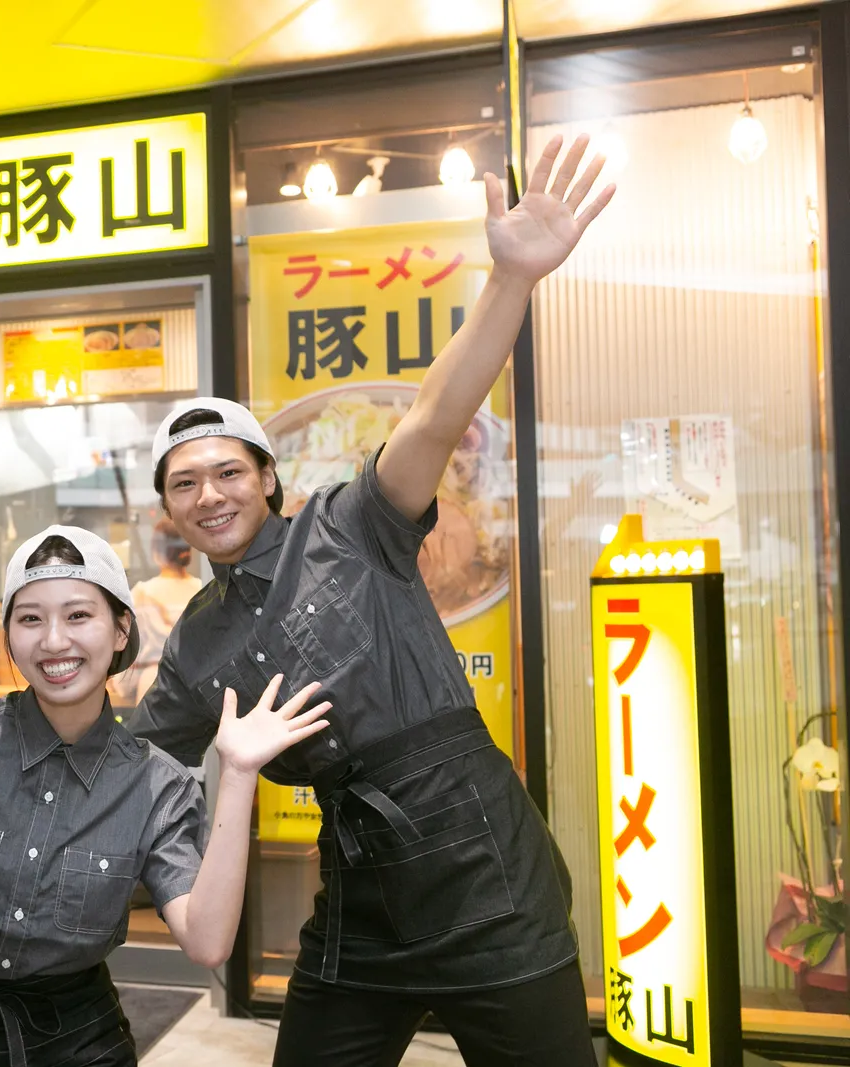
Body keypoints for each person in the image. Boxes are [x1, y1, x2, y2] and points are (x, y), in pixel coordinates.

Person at [126, 134, 615, 1066]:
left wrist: (510, 279)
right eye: (184, 484)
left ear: (269, 479)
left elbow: (436, 413)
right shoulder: (196, 643)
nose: (209, 495)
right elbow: (127, 765)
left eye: (228, 471)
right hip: (357, 899)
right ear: (169, 509)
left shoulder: (353, 522)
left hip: (487, 879)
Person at [0, 525, 329, 1067]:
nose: (54, 641)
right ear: (9, 637)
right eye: (30, 619)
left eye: (78, 615)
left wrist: (237, 775)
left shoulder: (155, 783)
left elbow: (206, 943)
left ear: (122, 629)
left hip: (79, 1045)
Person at [109, 518, 202, 707]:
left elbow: (130, 660)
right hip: (199, 689)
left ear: (157, 551)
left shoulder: (143, 594)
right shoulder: (203, 589)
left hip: (154, 688)